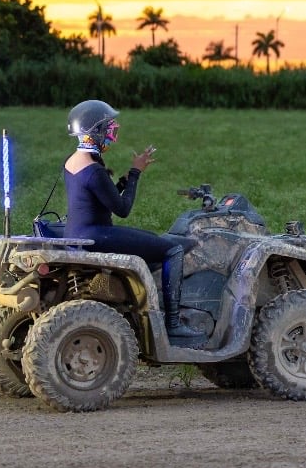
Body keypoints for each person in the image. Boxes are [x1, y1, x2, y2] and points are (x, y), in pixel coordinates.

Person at [63, 99, 208, 346]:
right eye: (108, 126)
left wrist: (122, 179)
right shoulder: (94, 170)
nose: (113, 130)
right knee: (173, 250)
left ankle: (142, 302)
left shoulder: (74, 161)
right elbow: (122, 209)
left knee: (152, 241)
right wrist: (135, 173)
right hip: (96, 235)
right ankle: (173, 325)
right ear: (95, 131)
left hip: (79, 232)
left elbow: (102, 196)